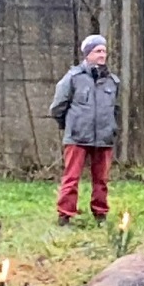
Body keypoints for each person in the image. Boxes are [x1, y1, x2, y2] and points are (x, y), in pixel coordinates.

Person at [49, 34, 120, 227]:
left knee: (102, 180)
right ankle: (64, 217)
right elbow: (58, 107)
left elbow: (115, 109)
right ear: (87, 54)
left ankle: (100, 216)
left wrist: (111, 128)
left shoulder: (112, 82)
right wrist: (70, 126)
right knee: (71, 178)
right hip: (77, 138)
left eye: (104, 51)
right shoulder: (73, 78)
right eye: (98, 51)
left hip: (104, 139)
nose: (102, 55)